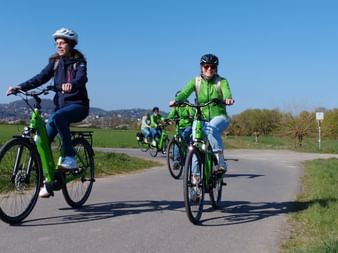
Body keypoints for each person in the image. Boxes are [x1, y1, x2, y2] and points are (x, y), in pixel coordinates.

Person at [6, 27, 89, 197]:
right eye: (56, 43)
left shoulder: (79, 62)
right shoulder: (55, 62)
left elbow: (81, 78)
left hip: (78, 106)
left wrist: (72, 84)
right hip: (60, 108)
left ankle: (69, 158)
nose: (58, 46)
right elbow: (40, 77)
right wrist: (20, 86)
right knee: (40, 140)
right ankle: (48, 179)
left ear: (70, 44)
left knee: (58, 117)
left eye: (62, 43)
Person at [169, 53, 234, 180]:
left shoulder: (221, 81)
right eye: (206, 66)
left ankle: (220, 162)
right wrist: (176, 100)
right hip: (200, 118)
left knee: (211, 128)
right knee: (195, 145)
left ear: (216, 68)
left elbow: (227, 92)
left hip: (219, 117)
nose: (209, 69)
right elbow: (184, 92)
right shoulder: (196, 81)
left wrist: (227, 99)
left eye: (212, 67)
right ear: (201, 67)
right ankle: (195, 182)